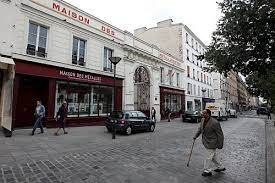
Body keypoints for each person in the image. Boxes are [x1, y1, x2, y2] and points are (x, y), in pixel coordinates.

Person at [193, 109, 225, 177]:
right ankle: (220, 167)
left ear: (208, 114)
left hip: (212, 142)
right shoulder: (202, 120)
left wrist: (220, 144)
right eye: (202, 113)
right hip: (206, 141)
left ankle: (207, 171)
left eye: (204, 113)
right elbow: (200, 129)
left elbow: (220, 134)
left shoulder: (215, 122)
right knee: (213, 156)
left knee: (208, 157)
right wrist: (195, 136)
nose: (202, 114)